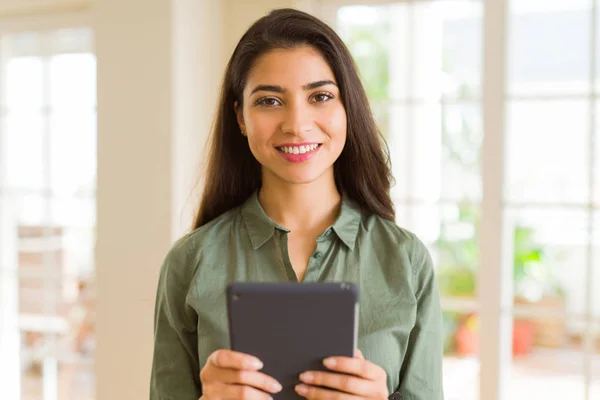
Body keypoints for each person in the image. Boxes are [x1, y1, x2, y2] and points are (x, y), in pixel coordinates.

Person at [150, 7, 443, 400]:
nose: (297, 123)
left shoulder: (406, 261)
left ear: (347, 109)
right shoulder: (189, 262)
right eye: (269, 101)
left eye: (320, 96)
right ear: (240, 117)